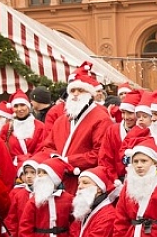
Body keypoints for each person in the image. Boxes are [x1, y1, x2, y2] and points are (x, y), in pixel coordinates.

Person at [38, 65, 112, 194]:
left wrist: (66, 161)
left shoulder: (101, 119)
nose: (76, 94)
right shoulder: (61, 120)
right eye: (73, 91)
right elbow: (48, 146)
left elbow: (98, 154)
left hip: (84, 182)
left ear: (90, 94)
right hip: (60, 181)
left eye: (80, 90)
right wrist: (55, 158)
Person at [2, 90, 46, 167]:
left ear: (28, 106)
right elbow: (3, 150)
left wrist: (28, 161)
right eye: (16, 106)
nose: (19, 109)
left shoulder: (40, 126)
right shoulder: (6, 128)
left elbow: (42, 149)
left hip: (35, 168)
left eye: (22, 105)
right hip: (14, 169)